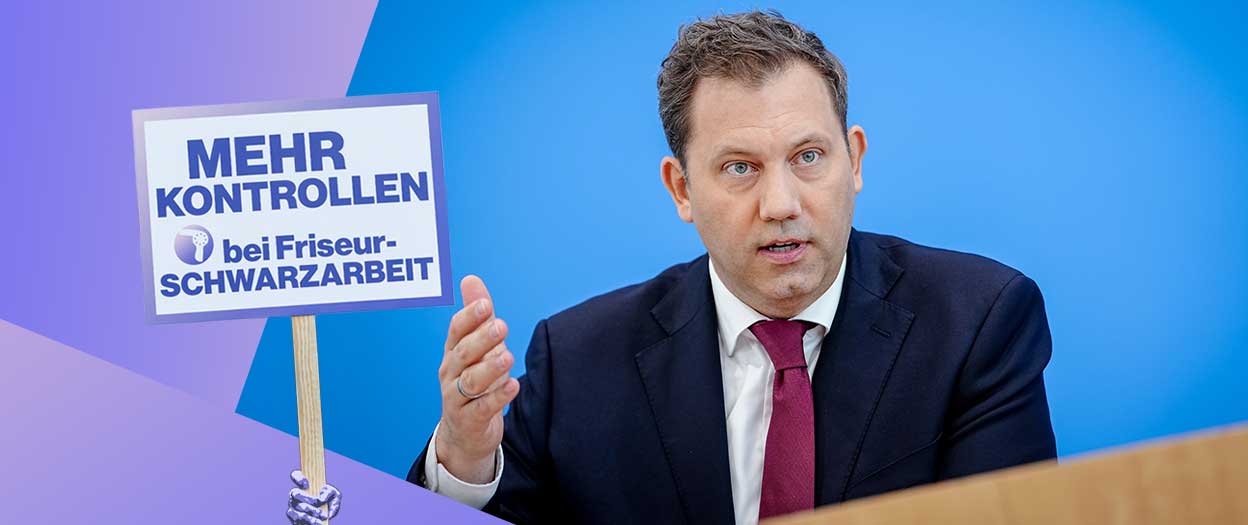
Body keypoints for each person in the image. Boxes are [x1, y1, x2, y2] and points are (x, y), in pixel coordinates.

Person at [288, 9, 1056, 525]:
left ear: (854, 160)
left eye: (808, 157)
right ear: (681, 189)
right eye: (740, 168)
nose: (781, 202)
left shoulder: (978, 321)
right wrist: (464, 454)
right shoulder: (578, 361)